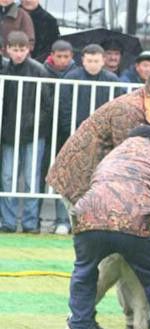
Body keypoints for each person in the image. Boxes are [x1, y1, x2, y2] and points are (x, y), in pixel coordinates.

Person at [46, 64, 150, 329]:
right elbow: (129, 173)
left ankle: (122, 321)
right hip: (83, 186)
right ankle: (81, 323)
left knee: (115, 253)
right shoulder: (129, 111)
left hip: (103, 189)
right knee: (114, 255)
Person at [69, 125, 150, 329]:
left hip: (89, 216)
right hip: (138, 221)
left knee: (84, 271)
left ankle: (79, 326)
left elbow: (94, 187)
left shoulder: (112, 155)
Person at [0, 31, 51, 233]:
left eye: (22, 50)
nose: (18, 54)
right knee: (7, 177)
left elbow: (47, 105)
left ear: (28, 49)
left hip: (33, 132)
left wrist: (35, 126)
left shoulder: (39, 70)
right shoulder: (3, 70)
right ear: (7, 50)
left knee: (31, 178)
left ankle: (30, 223)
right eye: (15, 49)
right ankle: (8, 222)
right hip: (9, 132)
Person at [42, 39, 78, 235]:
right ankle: (36, 218)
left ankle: (65, 219)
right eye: (59, 56)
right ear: (52, 55)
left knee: (67, 177)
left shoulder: (77, 75)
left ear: (72, 57)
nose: (63, 60)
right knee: (42, 174)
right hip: (44, 129)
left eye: (66, 56)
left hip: (70, 131)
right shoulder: (42, 71)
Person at [59, 44, 122, 141]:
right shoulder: (71, 78)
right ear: (83, 61)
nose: (93, 64)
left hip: (104, 131)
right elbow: (64, 105)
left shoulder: (112, 80)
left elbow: (118, 106)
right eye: (89, 61)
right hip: (75, 130)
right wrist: (70, 128)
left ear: (103, 61)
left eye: (96, 61)